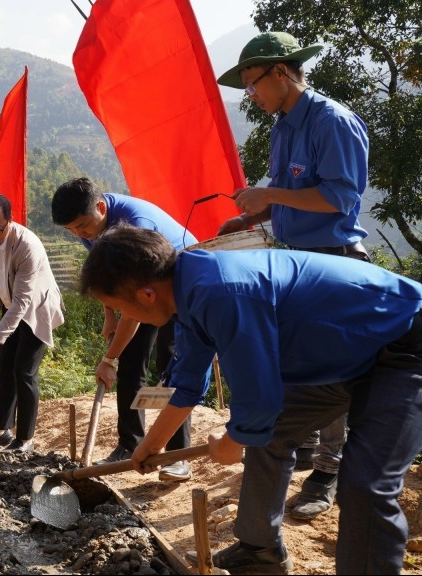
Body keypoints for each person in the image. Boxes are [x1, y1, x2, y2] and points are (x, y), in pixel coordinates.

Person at [80, 224, 422, 575]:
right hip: (344, 357)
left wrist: (232, 441)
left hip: (402, 345)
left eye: (118, 308)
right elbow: (187, 385)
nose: (127, 319)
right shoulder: (185, 291)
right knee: (269, 435)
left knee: (366, 485)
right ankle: (261, 549)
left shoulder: (222, 292)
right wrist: (150, 446)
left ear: (146, 294)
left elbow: (259, 402)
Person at [216, 31, 372, 520]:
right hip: (297, 258)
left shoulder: (333, 122)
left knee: (334, 370)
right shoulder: (283, 126)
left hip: (336, 258)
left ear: (281, 72)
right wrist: (248, 218)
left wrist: (268, 198)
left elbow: (338, 198)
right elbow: (285, 193)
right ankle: (302, 448)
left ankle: (328, 471)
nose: (252, 96)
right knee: (294, 358)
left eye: (253, 84)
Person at [50, 177, 196, 481]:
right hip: (141, 285)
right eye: (72, 231)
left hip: (178, 281)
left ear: (101, 207)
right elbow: (106, 277)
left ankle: (177, 456)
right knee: (131, 364)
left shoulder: (135, 224)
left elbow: (136, 305)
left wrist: (108, 358)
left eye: (81, 227)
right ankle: (129, 444)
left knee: (171, 362)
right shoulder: (91, 223)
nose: (80, 234)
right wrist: (109, 316)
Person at [0, 193, 65, 454]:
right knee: (6, 368)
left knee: (24, 371)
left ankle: (25, 440)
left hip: (36, 308)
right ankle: (0, 432)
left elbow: (23, 302)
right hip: (7, 303)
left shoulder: (27, 246)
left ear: (10, 222)